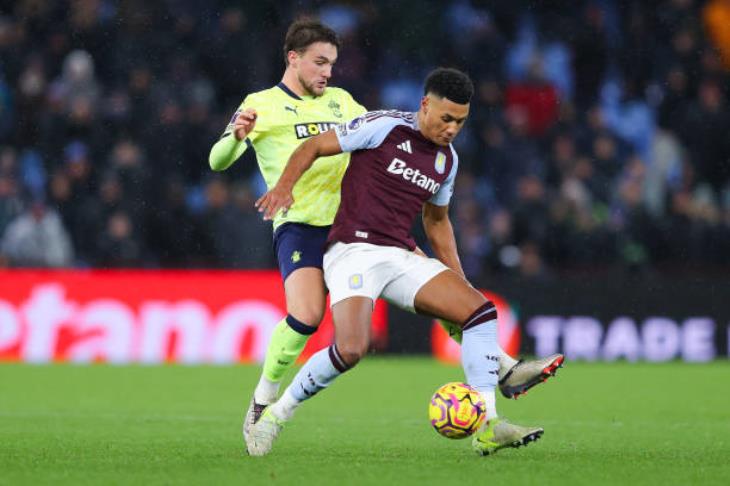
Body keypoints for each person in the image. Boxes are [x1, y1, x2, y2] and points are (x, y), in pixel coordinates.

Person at [210, 19, 562, 452]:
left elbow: (433, 214)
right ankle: (266, 405)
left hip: (373, 232)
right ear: (293, 59)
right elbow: (221, 159)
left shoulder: (353, 108)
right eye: (320, 62)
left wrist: (452, 275)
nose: (328, 72)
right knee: (310, 319)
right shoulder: (260, 104)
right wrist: (265, 169)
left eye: (333, 64)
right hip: (310, 226)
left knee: (476, 309)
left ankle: (493, 411)